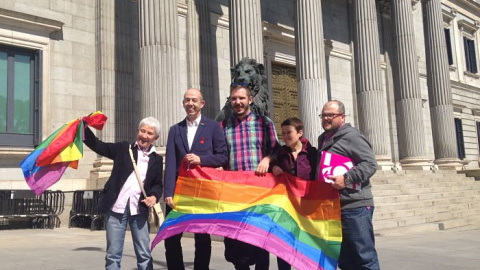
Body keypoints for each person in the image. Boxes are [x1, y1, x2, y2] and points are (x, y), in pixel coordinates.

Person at [83, 117, 163, 270]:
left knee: (144, 253)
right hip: (116, 208)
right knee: (113, 254)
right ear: (138, 131)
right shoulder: (123, 149)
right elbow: (99, 146)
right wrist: (84, 129)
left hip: (139, 210)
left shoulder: (156, 160)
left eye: (149, 133)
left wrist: (153, 196)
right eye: (142, 131)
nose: (144, 136)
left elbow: (158, 184)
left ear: (155, 138)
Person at [163, 88, 228, 270]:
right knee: (171, 236)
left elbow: (223, 156)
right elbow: (170, 163)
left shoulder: (214, 127)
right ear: (183, 103)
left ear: (202, 104)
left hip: (202, 192)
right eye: (187, 100)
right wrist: (168, 192)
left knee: (202, 238)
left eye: (194, 100)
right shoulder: (175, 130)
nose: (190, 104)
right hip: (179, 191)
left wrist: (202, 160)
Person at [222, 83, 280, 270]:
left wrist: (268, 159)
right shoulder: (224, 125)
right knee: (235, 241)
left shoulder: (264, 122)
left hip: (259, 190)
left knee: (260, 239)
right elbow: (220, 154)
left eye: (241, 98)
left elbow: (277, 148)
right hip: (234, 191)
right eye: (234, 99)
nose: (237, 102)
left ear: (250, 99)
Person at [317, 100, 380, 270]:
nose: (326, 118)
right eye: (323, 115)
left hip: (355, 206)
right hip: (335, 207)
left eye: (331, 115)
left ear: (342, 117)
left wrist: (347, 178)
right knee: (345, 260)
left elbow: (370, 164)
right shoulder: (322, 139)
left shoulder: (352, 136)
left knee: (364, 258)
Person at [271, 117, 317, 270]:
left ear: (300, 133)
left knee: (308, 246)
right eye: (283, 133)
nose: (285, 136)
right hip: (287, 209)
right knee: (283, 245)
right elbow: (271, 172)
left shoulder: (313, 153)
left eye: (288, 132)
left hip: (308, 208)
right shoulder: (280, 154)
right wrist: (274, 168)